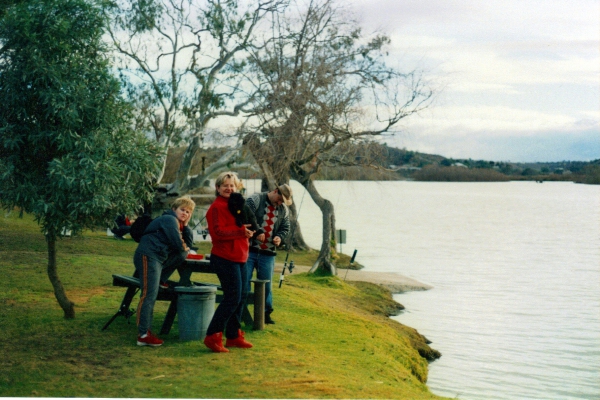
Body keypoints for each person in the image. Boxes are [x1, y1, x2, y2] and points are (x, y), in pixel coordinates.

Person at [203, 172, 255, 353]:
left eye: (232, 185)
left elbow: (246, 225)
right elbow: (217, 233)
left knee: (241, 297)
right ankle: (213, 335)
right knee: (232, 298)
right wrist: (241, 231)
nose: (228, 188)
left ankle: (233, 336)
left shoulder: (235, 204)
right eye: (224, 185)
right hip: (224, 258)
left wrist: (252, 231)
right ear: (217, 188)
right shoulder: (216, 207)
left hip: (240, 257)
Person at [134, 196, 196, 347]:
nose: (185, 213)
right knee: (149, 294)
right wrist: (186, 248)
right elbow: (178, 243)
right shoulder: (169, 219)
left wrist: (186, 226)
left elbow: (187, 245)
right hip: (148, 256)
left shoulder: (179, 224)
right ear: (174, 209)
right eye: (182, 210)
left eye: (188, 212)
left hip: (157, 259)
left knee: (182, 254)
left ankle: (161, 279)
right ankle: (143, 334)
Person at [245, 184, 292, 324]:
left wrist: (280, 238)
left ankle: (265, 313)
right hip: (249, 250)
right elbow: (246, 216)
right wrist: (257, 231)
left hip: (268, 253)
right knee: (244, 282)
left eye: (282, 201)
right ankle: (242, 311)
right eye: (279, 199)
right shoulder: (256, 199)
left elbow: (285, 227)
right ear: (275, 191)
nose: (279, 203)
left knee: (266, 285)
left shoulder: (284, 210)